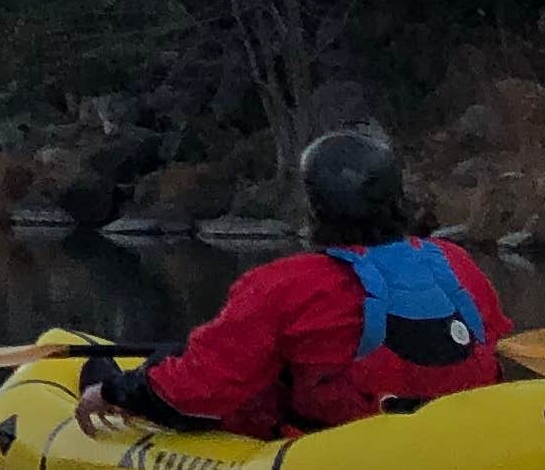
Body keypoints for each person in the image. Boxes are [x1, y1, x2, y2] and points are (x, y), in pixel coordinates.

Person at [77, 126, 512, 439]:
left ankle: (108, 380)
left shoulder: (284, 284)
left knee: (194, 369)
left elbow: (203, 386)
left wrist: (116, 391)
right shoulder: (455, 263)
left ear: (315, 206)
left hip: (341, 447)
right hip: (458, 437)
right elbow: (492, 348)